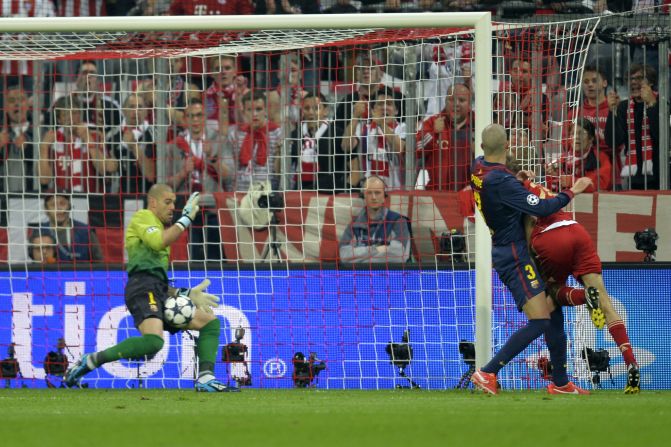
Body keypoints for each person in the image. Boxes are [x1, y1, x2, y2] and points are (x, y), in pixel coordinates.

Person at [64, 185, 239, 392]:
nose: (173, 207)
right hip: (141, 288)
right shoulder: (143, 217)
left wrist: (186, 293)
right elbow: (157, 243)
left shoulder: (159, 227)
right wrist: (185, 220)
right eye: (168, 202)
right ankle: (92, 360)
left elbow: (157, 281)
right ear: (153, 202)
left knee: (210, 323)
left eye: (174, 202)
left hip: (155, 289)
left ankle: (205, 378)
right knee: (154, 342)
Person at [469, 124, 593, 395]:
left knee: (553, 312)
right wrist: (575, 190)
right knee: (540, 320)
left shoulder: (478, 168)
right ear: (507, 147)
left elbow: (503, 187)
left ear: (482, 148)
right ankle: (488, 372)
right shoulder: (502, 182)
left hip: (513, 249)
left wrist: (516, 179)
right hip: (514, 255)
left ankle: (560, 383)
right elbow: (546, 206)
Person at [513, 168, 641, 394]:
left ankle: (583, 297)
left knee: (551, 292)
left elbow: (528, 233)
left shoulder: (518, 197)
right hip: (576, 230)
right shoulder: (538, 187)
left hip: (550, 239)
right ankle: (631, 361)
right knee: (605, 300)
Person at [605, 64, 661, 190]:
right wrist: (612, 112)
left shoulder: (663, 104)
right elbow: (613, 142)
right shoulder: (623, 107)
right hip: (634, 177)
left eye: (639, 78)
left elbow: (662, 137)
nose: (634, 82)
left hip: (661, 176)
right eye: (630, 79)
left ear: (651, 82)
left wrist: (652, 104)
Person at [343, 88, 406, 190]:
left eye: (389, 104)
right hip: (368, 190)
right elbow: (346, 146)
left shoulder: (403, 128)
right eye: (380, 104)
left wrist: (381, 123)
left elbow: (400, 149)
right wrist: (355, 116)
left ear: (396, 111)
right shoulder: (363, 128)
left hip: (396, 192)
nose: (385, 108)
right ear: (372, 110)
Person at [339, 175, 410, 263]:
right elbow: (344, 255)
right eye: (369, 193)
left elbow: (399, 255)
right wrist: (377, 249)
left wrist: (361, 259)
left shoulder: (398, 221)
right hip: (361, 275)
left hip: (389, 275)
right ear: (364, 196)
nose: (373, 197)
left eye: (377, 193)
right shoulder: (355, 224)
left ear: (384, 197)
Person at [416, 83, 473, 191]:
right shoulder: (432, 122)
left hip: (470, 196)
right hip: (438, 195)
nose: (456, 104)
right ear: (445, 101)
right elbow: (416, 149)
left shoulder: (478, 123)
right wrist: (434, 132)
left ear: (469, 103)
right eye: (451, 99)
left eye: (461, 100)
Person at [30, 191, 103, 262]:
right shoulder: (39, 231)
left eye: (62, 203)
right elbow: (35, 264)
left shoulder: (86, 231)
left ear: (69, 206)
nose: (58, 208)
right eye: (53, 205)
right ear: (46, 210)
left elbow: (98, 264)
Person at [546, 118, 612, 192]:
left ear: (591, 138)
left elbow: (601, 185)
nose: (576, 137)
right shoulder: (562, 159)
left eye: (582, 133)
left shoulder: (600, 158)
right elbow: (551, 188)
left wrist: (572, 181)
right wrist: (555, 175)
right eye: (573, 133)